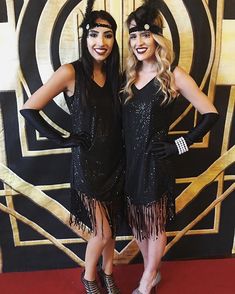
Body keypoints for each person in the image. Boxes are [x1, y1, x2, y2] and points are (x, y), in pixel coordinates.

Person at [20, 1, 124, 293]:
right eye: (93, 34)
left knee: (111, 228)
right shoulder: (70, 72)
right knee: (101, 232)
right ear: (85, 38)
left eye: (107, 34)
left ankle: (108, 273)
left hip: (116, 162)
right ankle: (89, 276)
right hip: (87, 165)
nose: (100, 42)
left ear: (114, 40)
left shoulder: (117, 75)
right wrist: (62, 138)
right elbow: (29, 108)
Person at [121, 1, 219, 293]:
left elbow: (210, 113)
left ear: (157, 38)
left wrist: (180, 145)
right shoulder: (128, 76)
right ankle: (154, 273)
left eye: (145, 35)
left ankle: (147, 279)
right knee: (138, 224)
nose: (139, 42)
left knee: (154, 225)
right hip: (129, 162)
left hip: (155, 162)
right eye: (134, 36)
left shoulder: (173, 75)